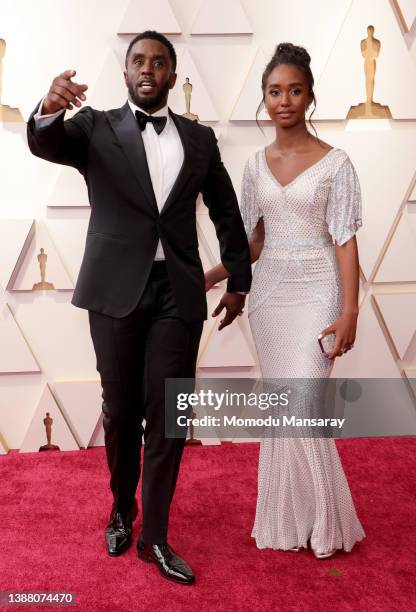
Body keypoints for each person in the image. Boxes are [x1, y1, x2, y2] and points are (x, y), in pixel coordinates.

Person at [27, 30, 252, 584]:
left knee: (171, 415)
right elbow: (44, 143)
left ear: (173, 77)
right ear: (125, 73)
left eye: (158, 62)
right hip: (114, 291)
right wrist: (47, 108)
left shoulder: (199, 140)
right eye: (137, 61)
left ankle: (155, 536)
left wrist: (239, 281)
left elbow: (225, 211)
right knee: (122, 411)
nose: (147, 69)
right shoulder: (94, 127)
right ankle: (121, 509)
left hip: (177, 292)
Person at [205, 43, 365, 559]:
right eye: (275, 91)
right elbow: (251, 244)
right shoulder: (255, 166)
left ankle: (326, 522)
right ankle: (287, 518)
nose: (284, 100)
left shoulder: (336, 164)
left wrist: (349, 311)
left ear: (310, 95)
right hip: (270, 296)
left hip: (320, 292)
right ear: (264, 99)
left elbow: (344, 240)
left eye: (294, 90)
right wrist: (213, 279)